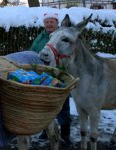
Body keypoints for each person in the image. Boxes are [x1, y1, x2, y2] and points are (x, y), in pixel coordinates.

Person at [30, 12, 72, 145]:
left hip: (60, 76)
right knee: (45, 106)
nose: (49, 24)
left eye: (52, 22)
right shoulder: (40, 37)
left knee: (63, 107)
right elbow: (32, 52)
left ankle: (65, 134)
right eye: (47, 22)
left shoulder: (63, 37)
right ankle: (46, 130)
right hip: (44, 77)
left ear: (56, 23)